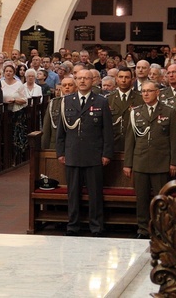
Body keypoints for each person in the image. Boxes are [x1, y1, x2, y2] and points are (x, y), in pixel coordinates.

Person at [56, 69, 113, 237]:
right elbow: (61, 130)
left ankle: (96, 226)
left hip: (94, 155)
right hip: (72, 154)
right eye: (79, 78)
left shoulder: (101, 101)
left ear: (92, 81)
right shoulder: (67, 101)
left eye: (86, 78)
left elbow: (107, 131)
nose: (82, 81)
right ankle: (73, 226)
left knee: (95, 194)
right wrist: (60, 152)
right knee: (73, 194)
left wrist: (106, 153)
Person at [123, 82, 176, 239]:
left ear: (157, 93)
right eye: (143, 91)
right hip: (140, 161)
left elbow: (175, 140)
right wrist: (128, 163)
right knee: (141, 199)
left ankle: (162, 228)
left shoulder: (168, 112)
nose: (146, 94)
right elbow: (130, 140)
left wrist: (174, 162)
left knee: (161, 199)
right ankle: (143, 229)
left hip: (161, 163)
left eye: (149, 91)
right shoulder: (136, 113)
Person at [2, 64, 29, 163]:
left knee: (15, 135)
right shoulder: (0, 83)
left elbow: (24, 100)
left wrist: (14, 100)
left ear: (13, 73)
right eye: (6, 71)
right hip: (3, 112)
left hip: (17, 112)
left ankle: (17, 157)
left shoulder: (19, 84)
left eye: (10, 71)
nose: (8, 73)